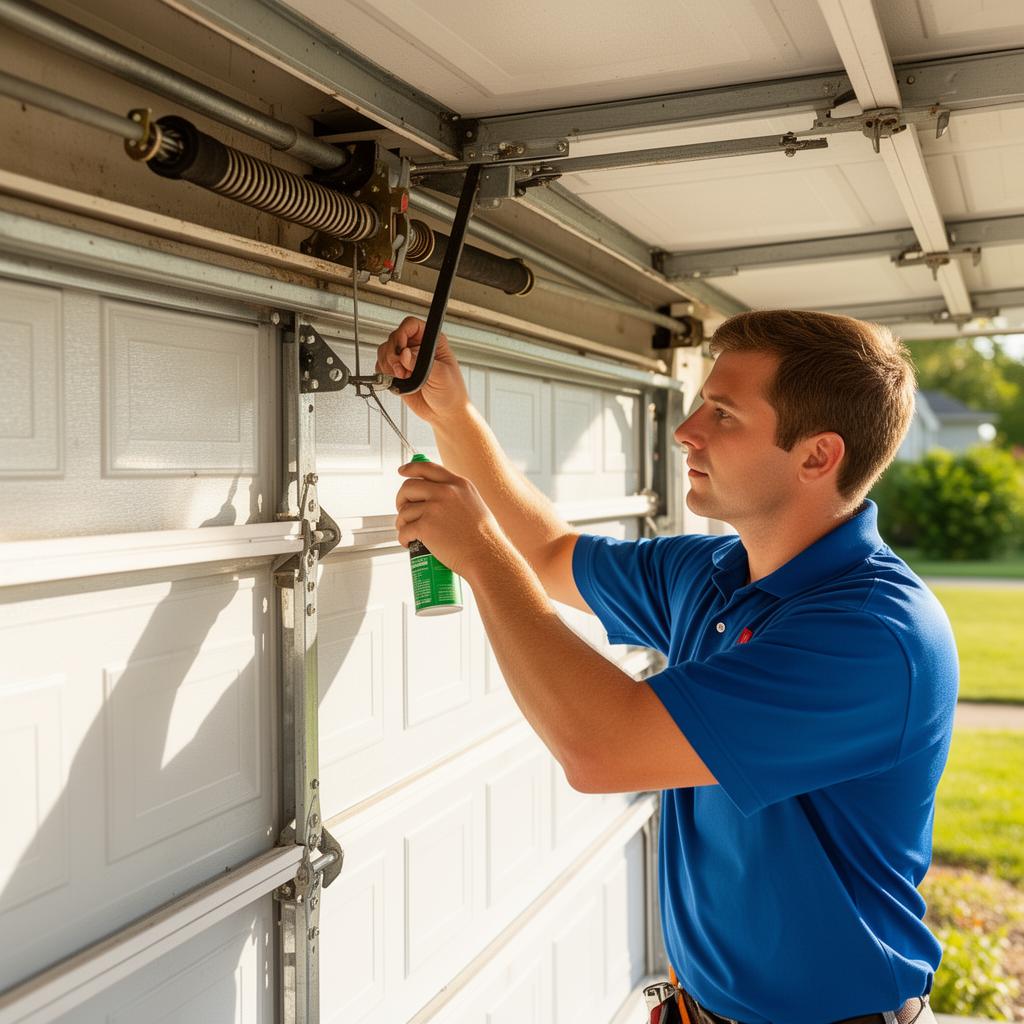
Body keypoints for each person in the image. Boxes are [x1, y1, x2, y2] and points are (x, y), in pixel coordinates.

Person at [376, 309, 957, 1024]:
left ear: (816, 456)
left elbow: (602, 748)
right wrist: (454, 416)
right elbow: (553, 555)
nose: (686, 431)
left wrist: (481, 559)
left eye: (723, 414)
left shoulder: (872, 636)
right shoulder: (713, 571)